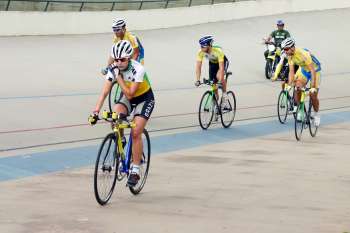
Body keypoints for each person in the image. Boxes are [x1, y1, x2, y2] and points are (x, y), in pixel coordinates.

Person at [90, 40, 155, 187]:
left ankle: (136, 170)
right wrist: (95, 111)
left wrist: (118, 76)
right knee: (115, 116)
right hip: (126, 97)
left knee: (136, 132)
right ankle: (122, 142)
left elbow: (131, 94)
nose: (118, 62)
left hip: (143, 98)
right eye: (116, 59)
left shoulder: (138, 69)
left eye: (122, 59)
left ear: (129, 58)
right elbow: (105, 91)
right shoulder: (114, 69)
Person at [281, 38, 321, 126]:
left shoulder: (303, 54)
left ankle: (316, 114)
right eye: (284, 49)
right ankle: (300, 109)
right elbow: (291, 71)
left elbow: (312, 70)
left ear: (292, 47)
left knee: (313, 95)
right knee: (297, 87)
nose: (285, 51)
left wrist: (313, 87)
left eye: (286, 49)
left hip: (315, 71)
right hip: (303, 71)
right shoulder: (290, 56)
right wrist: (289, 85)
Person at [195, 36, 229, 107]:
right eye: (201, 46)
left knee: (219, 76)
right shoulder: (201, 52)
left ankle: (225, 96)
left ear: (209, 45)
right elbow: (198, 67)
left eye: (203, 46)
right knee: (213, 83)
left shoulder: (218, 51)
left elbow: (221, 67)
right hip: (212, 64)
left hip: (222, 62)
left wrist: (220, 81)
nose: (201, 48)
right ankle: (216, 100)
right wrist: (198, 80)